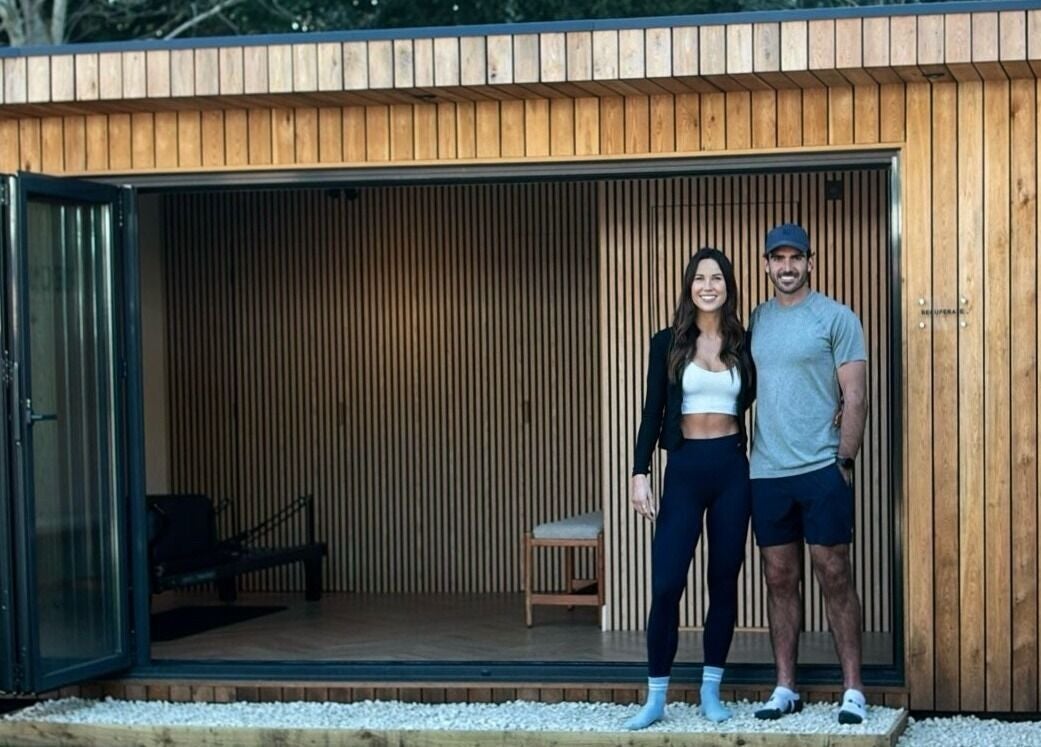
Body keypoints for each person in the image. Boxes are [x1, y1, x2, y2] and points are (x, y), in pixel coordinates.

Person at [625, 247, 755, 730]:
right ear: (688, 286)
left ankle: (710, 690)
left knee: (723, 581)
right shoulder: (667, 343)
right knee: (666, 583)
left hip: (731, 470)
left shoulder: (743, 342)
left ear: (728, 286)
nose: (708, 286)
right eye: (700, 278)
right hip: (683, 469)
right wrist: (639, 472)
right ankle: (656, 697)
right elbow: (652, 412)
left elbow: (761, 394)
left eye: (716, 278)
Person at [748, 223, 869, 725]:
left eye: (795, 258)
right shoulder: (756, 320)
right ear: (767, 265)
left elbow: (855, 395)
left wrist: (844, 461)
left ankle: (853, 690)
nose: (787, 266)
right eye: (777, 258)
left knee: (834, 573)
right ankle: (785, 688)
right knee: (779, 577)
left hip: (822, 466)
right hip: (767, 471)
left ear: (809, 263)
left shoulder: (836, 317)